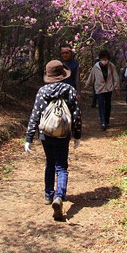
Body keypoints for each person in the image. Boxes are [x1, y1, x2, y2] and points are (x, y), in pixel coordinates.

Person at [25, 59, 82, 221]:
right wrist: (77, 135)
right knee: (61, 165)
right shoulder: (69, 90)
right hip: (63, 133)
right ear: (62, 75)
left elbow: (35, 115)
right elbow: (76, 115)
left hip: (46, 133)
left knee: (50, 162)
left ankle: (48, 195)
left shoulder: (42, 91)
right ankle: (59, 195)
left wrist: (29, 137)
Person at [84, 49, 120, 131]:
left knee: (108, 105)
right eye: (103, 58)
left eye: (106, 58)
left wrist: (116, 88)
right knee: (101, 105)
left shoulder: (111, 66)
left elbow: (115, 77)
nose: (104, 60)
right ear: (100, 59)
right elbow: (91, 77)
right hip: (99, 89)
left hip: (109, 89)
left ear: (108, 59)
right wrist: (87, 85)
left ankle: (107, 121)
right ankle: (103, 122)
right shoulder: (96, 67)